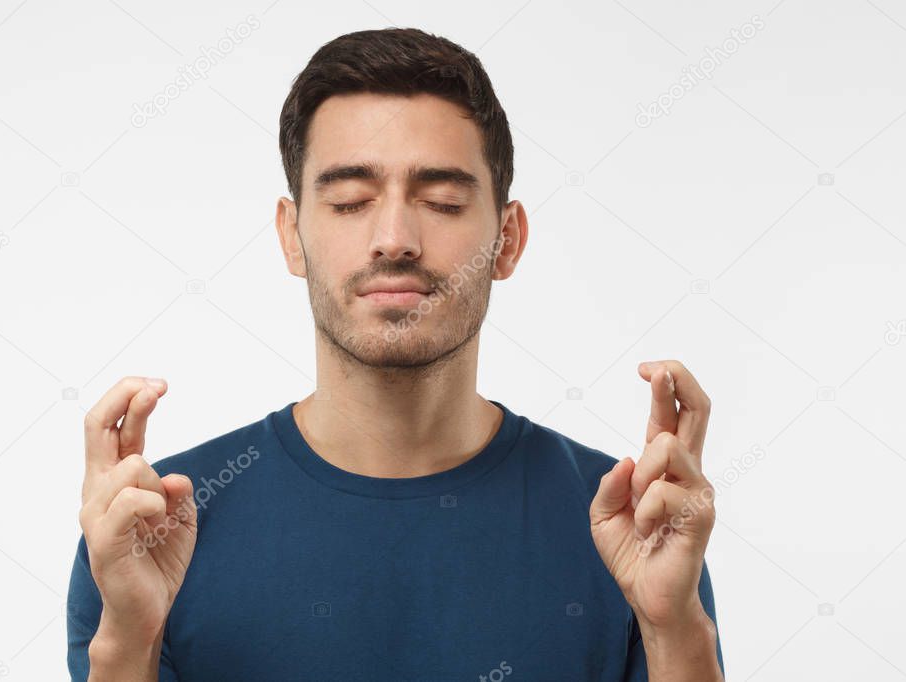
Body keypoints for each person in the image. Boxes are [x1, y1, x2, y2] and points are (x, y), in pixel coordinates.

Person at [67, 27, 724, 681]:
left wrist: (675, 631)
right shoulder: (155, 531)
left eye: (440, 200)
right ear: (291, 237)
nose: (393, 239)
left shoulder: (623, 525)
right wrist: (128, 638)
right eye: (351, 201)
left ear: (508, 239)